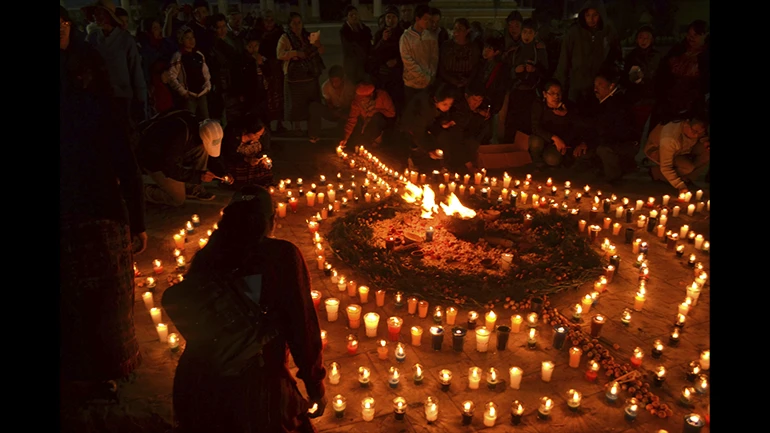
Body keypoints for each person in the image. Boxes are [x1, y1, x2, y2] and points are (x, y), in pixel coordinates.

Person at [172, 185, 327, 433]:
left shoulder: (208, 255)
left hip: (196, 384)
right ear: (271, 220)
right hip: (254, 384)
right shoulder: (281, 256)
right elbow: (302, 328)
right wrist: (315, 385)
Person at [61, 5, 146, 393]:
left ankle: (96, 366)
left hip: (94, 208)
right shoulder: (101, 108)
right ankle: (96, 369)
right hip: (90, 210)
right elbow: (126, 167)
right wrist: (138, 220)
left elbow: (126, 165)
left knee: (97, 295)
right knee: (97, 297)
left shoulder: (101, 108)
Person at [136, 112, 229, 205]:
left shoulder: (202, 126)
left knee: (202, 148)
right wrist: (198, 176)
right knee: (178, 199)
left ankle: (193, 187)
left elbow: (211, 154)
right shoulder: (178, 135)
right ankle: (138, 191)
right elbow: (170, 169)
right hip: (153, 160)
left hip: (174, 155)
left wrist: (222, 172)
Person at [85, 0, 147, 127]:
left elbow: (136, 72)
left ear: (109, 16)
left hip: (123, 100)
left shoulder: (125, 40)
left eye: (100, 13)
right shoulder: (92, 39)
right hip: (99, 99)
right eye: (95, 13)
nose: (96, 16)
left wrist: (141, 101)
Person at [554, 0, 621, 111]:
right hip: (576, 88)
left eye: (595, 15)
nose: (591, 19)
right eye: (588, 15)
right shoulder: (574, 33)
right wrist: (560, 88)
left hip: (599, 90)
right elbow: (563, 62)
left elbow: (616, 57)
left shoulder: (608, 32)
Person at [653, 20, 709, 128]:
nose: (691, 37)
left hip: (692, 103)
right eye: (689, 34)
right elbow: (663, 70)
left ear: (705, 35)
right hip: (669, 100)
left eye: (695, 35)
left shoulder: (705, 56)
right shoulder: (678, 49)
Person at [277, 12, 326, 136]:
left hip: (309, 73)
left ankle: (312, 129)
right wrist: (296, 53)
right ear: (290, 24)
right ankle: (296, 129)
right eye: (294, 23)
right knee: (295, 103)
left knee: (311, 101)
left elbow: (321, 51)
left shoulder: (308, 36)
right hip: (294, 75)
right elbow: (280, 54)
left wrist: (318, 45)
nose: (297, 25)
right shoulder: (285, 37)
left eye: (299, 22)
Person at [587, 71, 639, 183]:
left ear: (611, 85)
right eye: (595, 85)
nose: (596, 88)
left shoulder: (617, 104)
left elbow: (615, 131)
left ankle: (613, 178)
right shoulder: (603, 102)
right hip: (611, 140)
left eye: (600, 85)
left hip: (624, 143)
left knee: (602, 150)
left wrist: (592, 142)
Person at [528, 79, 590, 169]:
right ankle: (538, 163)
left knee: (552, 159)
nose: (556, 96)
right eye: (552, 93)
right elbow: (535, 127)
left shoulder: (568, 107)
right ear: (545, 94)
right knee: (535, 141)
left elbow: (577, 126)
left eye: (559, 93)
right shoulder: (539, 105)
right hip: (544, 138)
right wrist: (554, 138)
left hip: (561, 141)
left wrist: (566, 115)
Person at [504, 18, 548, 141]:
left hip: (531, 93)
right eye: (524, 32)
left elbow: (545, 72)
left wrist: (534, 70)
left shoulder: (539, 50)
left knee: (528, 122)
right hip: (516, 91)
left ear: (535, 34)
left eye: (530, 33)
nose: (526, 36)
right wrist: (515, 71)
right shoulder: (515, 50)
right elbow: (506, 71)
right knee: (512, 122)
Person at [644, 114, 710, 192]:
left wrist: (705, 141)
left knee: (707, 153)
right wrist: (680, 185)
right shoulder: (669, 138)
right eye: (694, 131)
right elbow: (666, 166)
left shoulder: (694, 129)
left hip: (683, 149)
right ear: (686, 123)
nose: (696, 135)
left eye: (700, 133)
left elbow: (702, 135)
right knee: (688, 167)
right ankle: (657, 173)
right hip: (660, 152)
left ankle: (686, 179)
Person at [400, 83, 457, 172]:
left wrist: (443, 122)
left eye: (450, 104)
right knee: (419, 145)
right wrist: (429, 150)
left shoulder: (434, 101)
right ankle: (412, 160)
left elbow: (438, 117)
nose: (448, 107)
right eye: (445, 104)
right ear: (436, 99)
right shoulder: (423, 107)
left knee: (444, 136)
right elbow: (417, 131)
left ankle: (444, 166)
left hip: (425, 126)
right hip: (409, 128)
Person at [621, 25, 662, 135]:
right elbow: (625, 77)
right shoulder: (631, 56)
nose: (643, 41)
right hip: (635, 97)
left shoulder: (658, 56)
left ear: (652, 39)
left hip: (652, 96)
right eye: (640, 37)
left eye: (646, 38)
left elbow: (661, 77)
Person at [208, 13, 245, 126]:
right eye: (219, 27)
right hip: (222, 84)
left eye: (224, 26)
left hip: (232, 82)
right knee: (225, 114)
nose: (222, 30)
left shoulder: (230, 40)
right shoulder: (214, 46)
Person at [168, 26, 212, 117]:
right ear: (181, 40)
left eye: (192, 37)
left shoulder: (199, 55)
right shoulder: (178, 56)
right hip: (189, 96)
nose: (191, 40)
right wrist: (182, 91)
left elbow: (205, 73)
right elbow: (171, 76)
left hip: (202, 93)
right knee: (190, 119)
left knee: (206, 120)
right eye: (187, 38)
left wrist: (207, 86)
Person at [339, 79, 396, 149]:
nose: (361, 101)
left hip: (382, 123)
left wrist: (376, 110)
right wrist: (345, 137)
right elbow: (352, 119)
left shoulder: (382, 96)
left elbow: (392, 114)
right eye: (359, 98)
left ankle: (378, 139)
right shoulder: (357, 102)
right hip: (366, 124)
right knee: (355, 138)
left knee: (377, 117)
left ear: (371, 95)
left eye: (363, 99)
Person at [448, 83, 493, 172]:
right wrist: (469, 166)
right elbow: (456, 138)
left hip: (466, 136)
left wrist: (478, 111)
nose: (476, 103)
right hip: (453, 141)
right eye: (474, 100)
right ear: (466, 96)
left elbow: (471, 111)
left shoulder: (473, 108)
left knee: (483, 122)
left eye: (480, 100)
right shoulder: (458, 112)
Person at [399, 4, 439, 104]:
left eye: (430, 19)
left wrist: (430, 74)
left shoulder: (431, 36)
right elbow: (407, 60)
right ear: (417, 19)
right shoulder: (406, 37)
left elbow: (434, 58)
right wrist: (422, 76)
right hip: (411, 84)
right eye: (425, 19)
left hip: (427, 82)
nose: (428, 22)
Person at [256, 10, 287, 133]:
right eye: (266, 20)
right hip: (264, 68)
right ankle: (266, 124)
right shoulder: (258, 34)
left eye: (271, 20)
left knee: (279, 97)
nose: (269, 23)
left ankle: (280, 123)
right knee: (266, 98)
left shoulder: (279, 34)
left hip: (277, 69)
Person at [222, 116, 274, 188]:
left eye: (260, 135)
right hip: (238, 165)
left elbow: (267, 150)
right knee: (237, 181)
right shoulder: (233, 136)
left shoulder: (263, 135)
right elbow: (228, 154)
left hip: (256, 165)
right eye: (256, 134)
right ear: (246, 131)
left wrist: (263, 158)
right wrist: (246, 159)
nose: (259, 137)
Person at [308, 65, 355, 143]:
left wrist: (345, 113)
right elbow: (328, 103)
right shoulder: (326, 87)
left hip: (347, 112)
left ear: (342, 79)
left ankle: (345, 137)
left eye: (337, 81)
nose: (334, 84)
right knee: (314, 107)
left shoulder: (350, 86)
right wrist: (334, 111)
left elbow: (354, 105)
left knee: (346, 122)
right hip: (334, 111)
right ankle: (314, 135)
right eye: (332, 81)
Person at [371, 6, 405, 113]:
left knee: (397, 100)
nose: (390, 20)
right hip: (383, 73)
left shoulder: (403, 34)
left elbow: (407, 52)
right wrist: (383, 40)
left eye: (393, 17)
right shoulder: (379, 34)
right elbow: (374, 53)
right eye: (388, 17)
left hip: (398, 73)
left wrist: (397, 61)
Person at [438, 18, 481, 91]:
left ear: (467, 31)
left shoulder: (473, 47)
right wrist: (452, 80)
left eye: (460, 29)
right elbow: (441, 66)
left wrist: (468, 80)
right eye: (455, 28)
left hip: (467, 84)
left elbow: (476, 67)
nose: (456, 31)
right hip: (447, 84)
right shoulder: (446, 46)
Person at [339, 5, 372, 84]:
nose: (354, 17)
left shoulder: (364, 28)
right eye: (351, 15)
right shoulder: (344, 31)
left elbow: (369, 43)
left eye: (356, 14)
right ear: (347, 17)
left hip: (365, 64)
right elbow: (349, 49)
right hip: (352, 66)